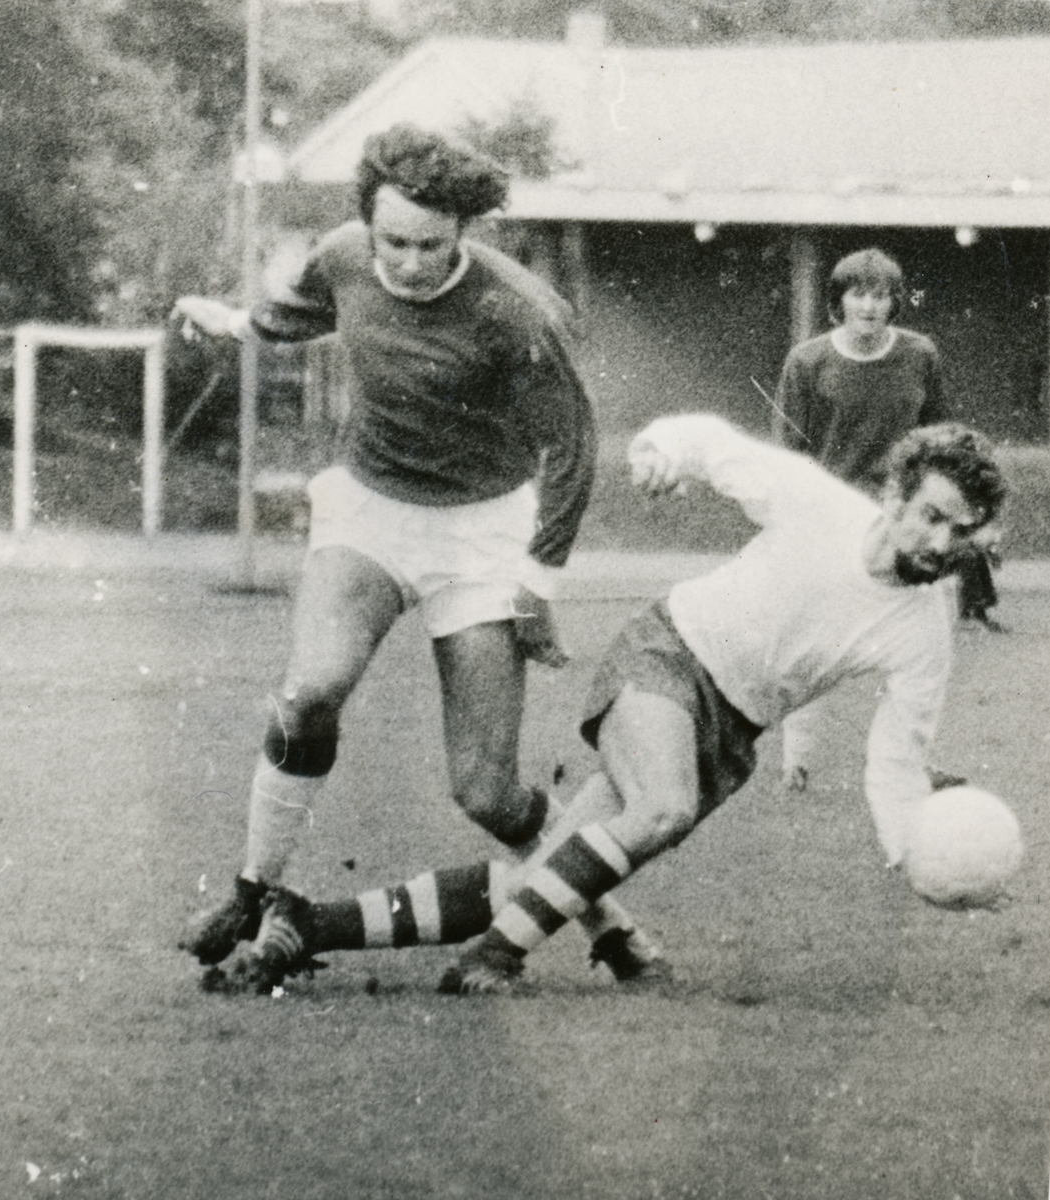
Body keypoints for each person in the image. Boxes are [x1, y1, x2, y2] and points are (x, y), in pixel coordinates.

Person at [231, 414, 1005, 995]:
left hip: (729, 733)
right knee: (660, 809)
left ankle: (308, 923)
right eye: (931, 516)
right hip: (666, 654)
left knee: (541, 877)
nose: (940, 544)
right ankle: (497, 957)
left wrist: (918, 855)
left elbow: (896, 763)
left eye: (959, 532)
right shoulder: (815, 505)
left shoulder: (923, 634)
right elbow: (706, 441)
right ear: (895, 494)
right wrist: (659, 454)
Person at [173, 123, 657, 986]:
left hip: (480, 537)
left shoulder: (518, 313)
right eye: (392, 242)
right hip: (369, 513)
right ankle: (253, 889)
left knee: (485, 793)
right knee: (311, 689)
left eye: (430, 246)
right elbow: (301, 311)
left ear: (462, 233)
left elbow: (574, 450)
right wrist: (236, 320)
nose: (407, 263)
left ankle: (610, 923)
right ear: (368, 225)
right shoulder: (344, 256)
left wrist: (537, 582)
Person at [772, 247, 1003, 790]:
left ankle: (911, 764)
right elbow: (787, 452)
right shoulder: (808, 362)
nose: (870, 306)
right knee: (817, 639)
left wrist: (973, 514)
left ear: (895, 302)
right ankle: (796, 762)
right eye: (859, 293)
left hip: (906, 516)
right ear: (839, 301)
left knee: (927, 639)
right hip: (832, 518)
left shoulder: (921, 355)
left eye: (881, 295)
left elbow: (943, 440)